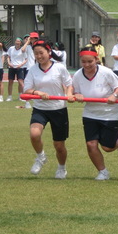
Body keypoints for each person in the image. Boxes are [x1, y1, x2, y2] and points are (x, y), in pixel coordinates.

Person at [70, 48, 118, 181]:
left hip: (110, 113)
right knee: (91, 144)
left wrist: (114, 95)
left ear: (96, 59)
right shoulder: (78, 75)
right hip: (90, 113)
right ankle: (103, 172)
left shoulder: (106, 72)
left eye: (90, 61)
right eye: (83, 62)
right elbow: (75, 90)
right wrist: (76, 94)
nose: (87, 65)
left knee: (107, 147)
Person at [23, 39, 74, 179]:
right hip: (40, 108)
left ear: (49, 52)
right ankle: (41, 157)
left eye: (41, 53)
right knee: (34, 134)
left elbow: (69, 84)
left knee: (59, 145)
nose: (39, 56)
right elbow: (26, 90)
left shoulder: (59, 68)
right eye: (36, 54)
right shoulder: (33, 70)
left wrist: (69, 94)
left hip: (58, 109)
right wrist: (37, 93)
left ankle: (62, 168)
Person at [7, 37, 28, 101]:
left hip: (20, 67)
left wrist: (21, 65)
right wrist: (9, 63)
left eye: (18, 41)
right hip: (12, 67)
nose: (17, 42)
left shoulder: (22, 49)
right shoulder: (11, 48)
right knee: (10, 82)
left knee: (20, 82)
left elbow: (26, 59)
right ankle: (10, 96)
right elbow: (8, 57)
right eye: (16, 41)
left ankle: (21, 96)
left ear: (20, 43)